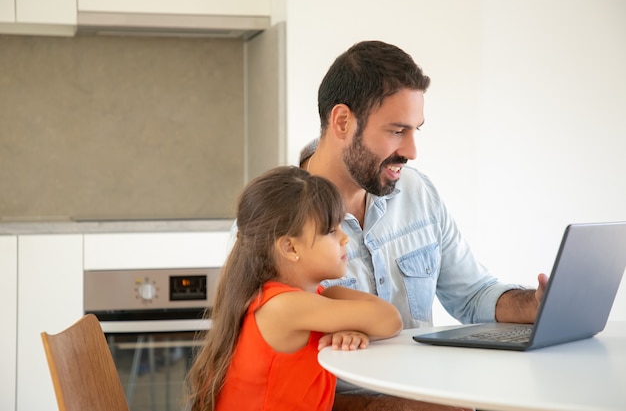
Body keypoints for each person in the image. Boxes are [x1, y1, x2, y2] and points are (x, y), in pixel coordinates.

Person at [299, 40, 549, 411]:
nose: (412, 151)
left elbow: (472, 295)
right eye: (397, 131)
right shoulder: (275, 223)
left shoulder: (416, 191)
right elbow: (274, 379)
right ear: (342, 122)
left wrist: (536, 305)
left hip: (430, 396)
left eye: (416, 130)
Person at [184, 165, 403, 411]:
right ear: (290, 248)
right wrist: (357, 323)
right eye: (331, 231)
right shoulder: (285, 306)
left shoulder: (309, 298)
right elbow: (390, 319)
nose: (345, 238)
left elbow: (383, 319)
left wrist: (353, 328)